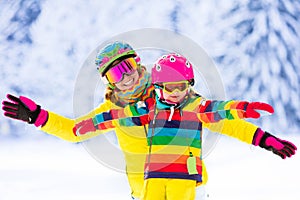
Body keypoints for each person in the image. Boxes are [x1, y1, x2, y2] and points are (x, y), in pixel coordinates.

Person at [75, 53, 297, 200]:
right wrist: (90, 124)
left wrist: (262, 135)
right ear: (158, 87)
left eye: (181, 86)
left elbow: (226, 114)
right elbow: (116, 116)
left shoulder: (196, 107)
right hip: (150, 186)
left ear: (189, 85)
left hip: (190, 184)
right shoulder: (148, 109)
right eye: (169, 88)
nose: (175, 93)